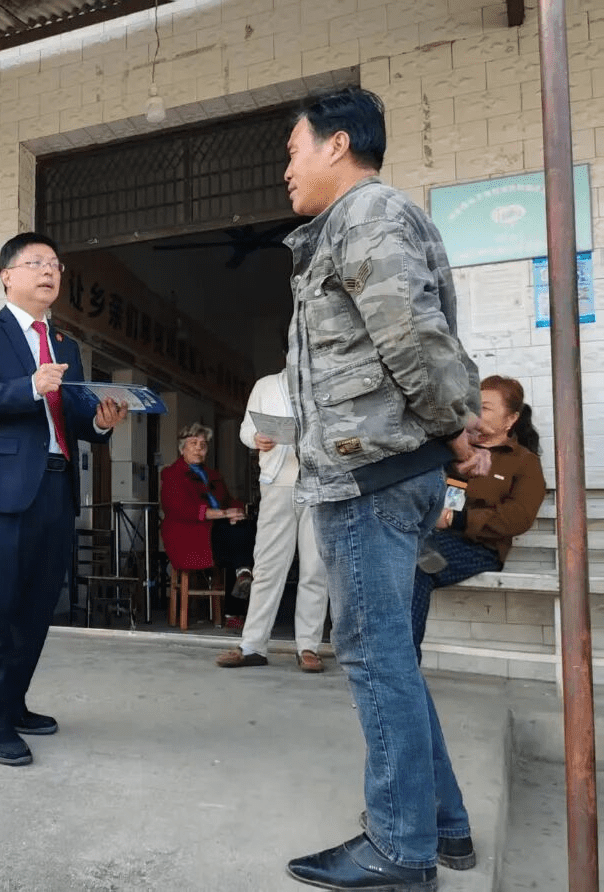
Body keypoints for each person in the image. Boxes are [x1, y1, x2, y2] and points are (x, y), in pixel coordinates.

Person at [280, 87, 493, 891]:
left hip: (369, 476)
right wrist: (451, 427)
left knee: (375, 660)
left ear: (337, 144)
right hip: (386, 470)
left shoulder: (366, 214)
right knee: (393, 657)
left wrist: (454, 428)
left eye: (294, 150)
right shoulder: (365, 219)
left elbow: (410, 334)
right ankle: (444, 823)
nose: (287, 170)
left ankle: (400, 850)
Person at [0, 232, 128, 767]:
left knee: (36, 608)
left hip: (56, 486)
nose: (49, 271)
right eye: (36, 262)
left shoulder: (65, 345)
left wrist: (101, 422)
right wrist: (30, 386)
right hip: (1, 491)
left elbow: (74, 417)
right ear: (8, 275)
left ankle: (15, 703)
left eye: (55, 264)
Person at [412, 375, 546, 661]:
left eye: (484, 407)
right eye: (472, 405)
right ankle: (388, 663)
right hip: (432, 538)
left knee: (417, 567)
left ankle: (402, 667)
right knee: (394, 560)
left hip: (480, 547)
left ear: (511, 419)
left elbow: (519, 517)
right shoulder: (458, 451)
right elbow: (435, 492)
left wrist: (457, 520)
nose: (475, 413)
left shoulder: (523, 462)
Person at [216, 368, 328, 672]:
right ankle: (252, 644)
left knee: (315, 567)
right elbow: (245, 429)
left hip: (319, 483)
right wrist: (256, 438)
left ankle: (308, 646)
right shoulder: (265, 385)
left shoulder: (325, 378)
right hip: (277, 483)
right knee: (266, 566)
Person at [159, 423, 256, 604]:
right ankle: (237, 600)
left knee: (244, 529)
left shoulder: (213, 475)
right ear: (182, 449)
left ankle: (242, 573)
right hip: (188, 537)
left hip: (217, 532)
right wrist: (224, 514)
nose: (198, 448)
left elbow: (229, 500)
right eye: (193, 443)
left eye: (203, 445)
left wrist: (238, 512)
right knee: (237, 539)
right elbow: (183, 509)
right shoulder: (172, 475)